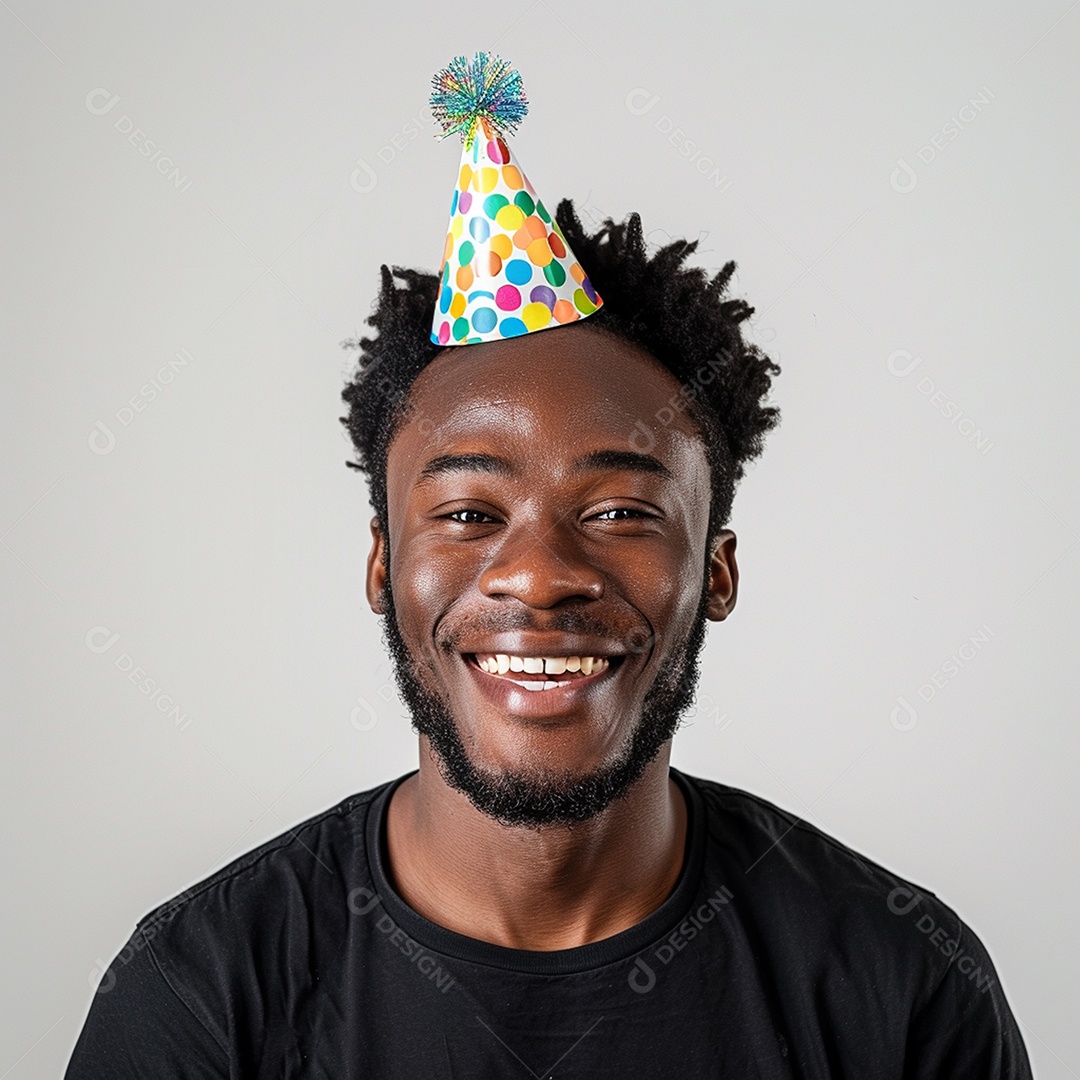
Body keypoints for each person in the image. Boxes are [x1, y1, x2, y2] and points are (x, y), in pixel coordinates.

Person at [65, 198, 1032, 1077]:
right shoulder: (199, 999)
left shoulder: (902, 989)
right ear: (380, 566)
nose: (537, 574)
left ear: (718, 572)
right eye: (468, 513)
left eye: (618, 512)